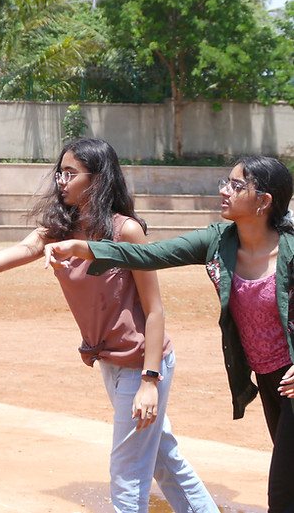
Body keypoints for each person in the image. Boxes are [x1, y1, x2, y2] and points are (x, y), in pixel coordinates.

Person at [0, 138, 219, 513]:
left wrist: (149, 381)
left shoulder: (125, 232)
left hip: (143, 363)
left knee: (128, 475)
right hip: (110, 362)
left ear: (97, 179)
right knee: (163, 460)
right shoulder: (58, 230)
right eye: (59, 172)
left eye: (70, 173)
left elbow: (155, 310)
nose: (61, 180)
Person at [44, 155, 294, 513]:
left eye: (237, 185)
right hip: (271, 379)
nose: (224, 190)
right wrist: (85, 247)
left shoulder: (291, 249)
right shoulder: (219, 240)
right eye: (226, 181)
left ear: (264, 201)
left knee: (283, 496)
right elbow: (151, 255)